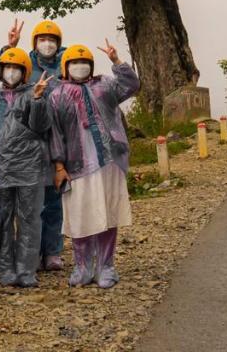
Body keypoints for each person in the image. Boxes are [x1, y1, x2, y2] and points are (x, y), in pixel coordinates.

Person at [47, 40, 140, 289]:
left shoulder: (106, 86)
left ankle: (106, 266)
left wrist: (117, 62)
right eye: (74, 62)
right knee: (80, 215)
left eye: (84, 62)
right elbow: (54, 133)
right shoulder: (57, 95)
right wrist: (58, 166)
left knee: (108, 213)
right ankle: (82, 265)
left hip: (109, 162)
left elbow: (132, 85)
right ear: (65, 67)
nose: (80, 66)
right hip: (76, 166)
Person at [0, 47, 53, 287]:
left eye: (17, 68)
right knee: (3, 219)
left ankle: (26, 270)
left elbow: (40, 127)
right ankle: (5, 268)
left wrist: (38, 99)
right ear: (1, 71)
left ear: (25, 72)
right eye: (7, 68)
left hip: (31, 167)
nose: (11, 72)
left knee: (30, 220)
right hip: (1, 169)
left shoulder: (34, 93)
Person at [2, 19, 67, 271]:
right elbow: (5, 75)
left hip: (57, 137)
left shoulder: (65, 67)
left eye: (52, 40)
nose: (47, 44)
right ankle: (33, 252)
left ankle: (53, 251)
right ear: (34, 43)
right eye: (42, 39)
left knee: (54, 198)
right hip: (29, 143)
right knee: (31, 203)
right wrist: (9, 46)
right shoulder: (25, 65)